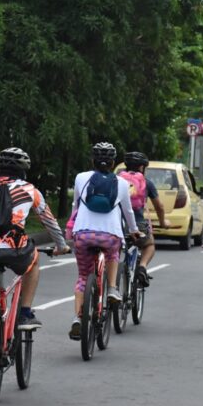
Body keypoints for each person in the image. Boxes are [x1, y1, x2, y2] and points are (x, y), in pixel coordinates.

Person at [0, 147, 70, 380]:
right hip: (14, 249)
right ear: (23, 169)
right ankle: (24, 313)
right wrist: (61, 245)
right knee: (33, 261)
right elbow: (49, 221)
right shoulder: (30, 190)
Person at [68, 142, 140, 340]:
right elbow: (128, 211)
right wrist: (134, 230)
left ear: (92, 160)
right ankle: (112, 289)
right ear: (113, 162)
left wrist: (71, 229)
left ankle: (77, 317)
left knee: (83, 276)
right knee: (113, 253)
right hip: (110, 234)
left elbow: (75, 206)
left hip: (82, 233)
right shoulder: (123, 183)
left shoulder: (81, 178)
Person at [118, 151, 171, 287]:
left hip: (117, 225)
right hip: (138, 225)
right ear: (142, 167)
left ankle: (112, 273)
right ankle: (142, 267)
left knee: (114, 248)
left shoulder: (116, 180)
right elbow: (159, 206)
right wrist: (163, 222)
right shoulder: (147, 183)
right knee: (149, 245)